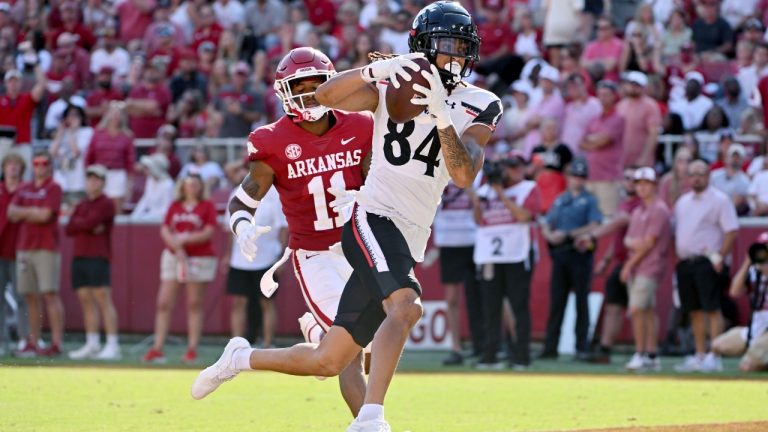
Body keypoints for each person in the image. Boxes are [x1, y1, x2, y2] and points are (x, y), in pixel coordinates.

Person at [192, 4, 501, 431]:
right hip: (372, 217)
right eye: (445, 46)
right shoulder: (393, 85)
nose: (455, 56)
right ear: (421, 47)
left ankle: (240, 358)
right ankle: (371, 421)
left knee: (331, 358)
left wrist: (441, 116)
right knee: (406, 307)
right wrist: (380, 72)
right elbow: (325, 96)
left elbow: (464, 174)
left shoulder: (480, 102)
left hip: (412, 230)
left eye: (462, 48)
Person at [195, 47, 374, 416]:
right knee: (351, 351)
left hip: (363, 249)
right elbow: (242, 200)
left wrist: (366, 197)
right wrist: (241, 225)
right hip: (316, 256)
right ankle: (371, 424)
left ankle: (253, 353)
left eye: (317, 85)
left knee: (364, 348)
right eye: (300, 86)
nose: (309, 93)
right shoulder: (273, 140)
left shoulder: (361, 126)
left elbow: (378, 183)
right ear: (284, 91)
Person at [472, 153, 541, 369]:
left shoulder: (528, 188)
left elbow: (524, 216)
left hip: (517, 255)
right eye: (508, 167)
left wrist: (502, 195)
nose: (513, 171)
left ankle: (521, 355)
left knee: (518, 306)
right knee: (491, 307)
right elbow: (478, 220)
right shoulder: (485, 191)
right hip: (490, 257)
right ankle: (490, 354)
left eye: (517, 166)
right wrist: (475, 198)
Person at [143, 173, 218, 364]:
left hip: (199, 257)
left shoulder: (207, 206)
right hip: (174, 257)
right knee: (164, 302)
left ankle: (192, 348)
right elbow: (165, 228)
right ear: (182, 187)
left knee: (194, 303)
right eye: (189, 184)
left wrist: (185, 240)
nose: (192, 187)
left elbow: (208, 231)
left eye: (196, 184)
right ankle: (157, 347)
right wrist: (177, 247)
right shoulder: (175, 205)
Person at [674, 159, 738, 373]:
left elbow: (731, 230)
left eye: (700, 173)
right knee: (694, 311)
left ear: (709, 175)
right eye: (692, 173)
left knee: (712, 308)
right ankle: (700, 354)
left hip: (707, 261)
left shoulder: (720, 200)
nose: (696, 177)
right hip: (686, 261)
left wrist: (720, 256)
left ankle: (715, 354)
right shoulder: (682, 202)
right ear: (687, 177)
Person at [577, 167, 642, 364]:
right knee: (613, 306)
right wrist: (606, 259)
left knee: (642, 309)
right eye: (627, 179)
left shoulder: (642, 204)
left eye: (634, 179)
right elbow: (618, 236)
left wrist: (591, 235)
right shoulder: (625, 203)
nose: (630, 183)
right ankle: (605, 349)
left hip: (639, 263)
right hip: (622, 261)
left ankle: (646, 352)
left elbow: (618, 224)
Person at [539, 158, 602, 359]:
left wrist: (567, 234)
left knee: (581, 302)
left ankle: (581, 346)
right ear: (569, 177)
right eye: (575, 176)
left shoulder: (589, 200)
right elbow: (547, 222)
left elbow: (594, 225)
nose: (578, 180)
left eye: (581, 176)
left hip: (579, 254)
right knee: (557, 301)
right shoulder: (560, 199)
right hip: (560, 255)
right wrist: (549, 234)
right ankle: (551, 347)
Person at [8, 152, 64, 357]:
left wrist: (26, 212)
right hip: (25, 246)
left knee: (49, 294)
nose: (40, 167)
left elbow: (45, 215)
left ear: (50, 166)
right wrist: (32, 212)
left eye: (44, 163)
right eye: (36, 163)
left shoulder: (54, 188)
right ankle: (33, 341)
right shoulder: (25, 187)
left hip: (46, 246)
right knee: (29, 295)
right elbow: (11, 212)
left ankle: (57, 342)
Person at [223, 172, 287, 346]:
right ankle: (236, 344)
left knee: (267, 302)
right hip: (240, 260)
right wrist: (228, 254)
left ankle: (267, 343)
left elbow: (283, 228)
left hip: (267, 259)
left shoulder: (275, 196)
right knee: (238, 302)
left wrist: (282, 256)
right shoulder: (236, 193)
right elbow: (231, 227)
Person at [65, 165, 121, 360]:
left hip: (98, 255)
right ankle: (92, 343)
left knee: (102, 299)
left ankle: (112, 344)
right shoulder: (82, 204)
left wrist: (82, 222)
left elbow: (86, 222)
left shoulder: (106, 203)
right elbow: (70, 228)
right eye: (90, 178)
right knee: (86, 300)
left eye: (97, 179)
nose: (93, 182)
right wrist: (85, 223)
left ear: (103, 182)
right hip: (80, 256)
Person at [621, 167, 672, 371]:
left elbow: (647, 244)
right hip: (640, 266)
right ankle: (651, 354)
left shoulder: (658, 209)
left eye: (645, 183)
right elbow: (629, 240)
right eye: (639, 183)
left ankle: (640, 353)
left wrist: (628, 264)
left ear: (654, 185)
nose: (641, 187)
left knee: (637, 309)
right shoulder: (638, 210)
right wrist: (635, 245)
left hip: (649, 266)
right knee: (647, 310)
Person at [433, 181, 483, 366]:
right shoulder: (438, 174)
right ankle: (456, 347)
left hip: (473, 240)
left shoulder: (475, 174)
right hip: (448, 242)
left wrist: (469, 185)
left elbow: (481, 206)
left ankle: (484, 344)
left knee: (479, 297)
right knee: (452, 299)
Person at [712, 233, 768, 372]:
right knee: (718, 345)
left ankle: (758, 356)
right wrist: (747, 262)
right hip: (756, 325)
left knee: (747, 365)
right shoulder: (755, 272)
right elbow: (734, 291)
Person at [0, 153, 29, 355]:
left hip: (20, 251)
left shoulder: (27, 191)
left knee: (22, 298)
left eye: (17, 164)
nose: (12, 168)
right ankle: (1, 341)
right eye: (9, 164)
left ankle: (24, 339)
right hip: (0, 250)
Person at [616, 71, 661, 168]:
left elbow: (653, 134)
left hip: (642, 161)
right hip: (622, 160)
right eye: (631, 84)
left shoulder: (650, 106)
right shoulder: (620, 105)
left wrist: (645, 157)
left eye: (637, 85)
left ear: (643, 87)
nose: (633, 87)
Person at [130, 153, 175, 221]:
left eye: (149, 167)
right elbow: (145, 199)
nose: (146, 170)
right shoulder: (150, 180)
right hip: (149, 217)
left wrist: (148, 216)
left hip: (161, 220)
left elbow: (167, 208)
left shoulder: (168, 184)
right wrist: (134, 216)